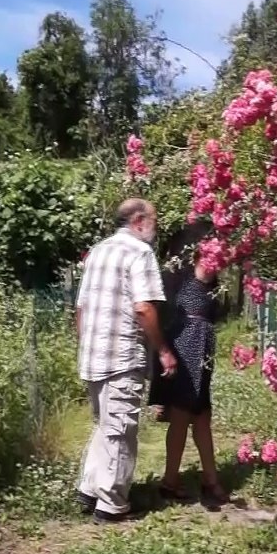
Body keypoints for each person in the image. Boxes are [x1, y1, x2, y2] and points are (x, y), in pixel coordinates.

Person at [74, 198, 177, 523]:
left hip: (93, 353)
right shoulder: (139, 252)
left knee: (105, 425)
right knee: (120, 429)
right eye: (154, 221)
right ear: (138, 220)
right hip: (121, 355)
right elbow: (144, 308)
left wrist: (85, 343)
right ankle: (112, 503)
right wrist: (163, 350)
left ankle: (89, 489)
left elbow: (80, 309)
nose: (155, 228)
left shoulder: (98, 252)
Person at [149, 222, 230, 506]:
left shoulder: (194, 278)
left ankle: (208, 479)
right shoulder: (192, 274)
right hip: (189, 347)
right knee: (183, 415)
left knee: (201, 415)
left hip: (196, 347)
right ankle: (171, 481)